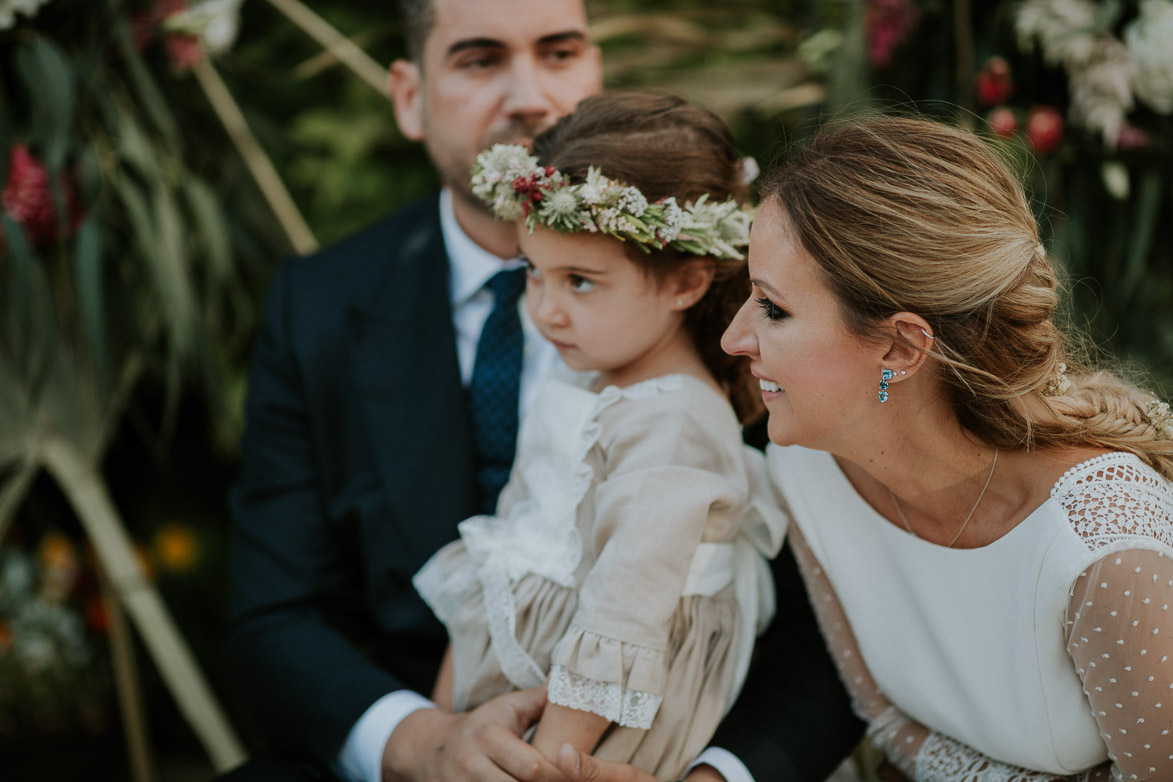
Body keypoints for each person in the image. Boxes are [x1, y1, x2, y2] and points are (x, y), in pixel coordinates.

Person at [222, 0, 862, 780]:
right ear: (408, 96)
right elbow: (276, 613)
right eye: (480, 59)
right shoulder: (316, 304)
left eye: (558, 53)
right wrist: (421, 744)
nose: (528, 95)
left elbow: (828, 619)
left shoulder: (758, 310)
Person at [711, 115, 1173, 781]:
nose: (733, 337)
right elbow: (878, 710)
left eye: (771, 309)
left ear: (900, 347)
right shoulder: (804, 465)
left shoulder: (1105, 555)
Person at [412, 92, 787, 782]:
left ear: (687, 281)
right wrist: (443, 723)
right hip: (513, 703)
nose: (545, 311)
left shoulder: (674, 421)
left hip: (593, 733)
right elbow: (502, 544)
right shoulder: (586, 383)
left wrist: (550, 762)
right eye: (532, 272)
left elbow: (623, 611)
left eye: (580, 282)